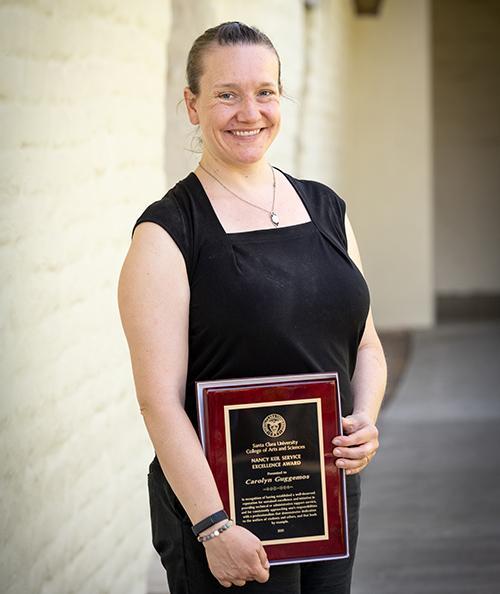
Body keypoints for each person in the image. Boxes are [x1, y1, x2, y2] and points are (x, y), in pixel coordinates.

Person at [118, 21, 387, 594]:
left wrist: (365, 418)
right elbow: (158, 402)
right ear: (190, 105)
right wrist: (213, 527)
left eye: (265, 92)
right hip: (221, 511)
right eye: (226, 94)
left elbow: (365, 345)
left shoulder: (326, 209)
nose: (249, 111)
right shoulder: (168, 234)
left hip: (326, 497)